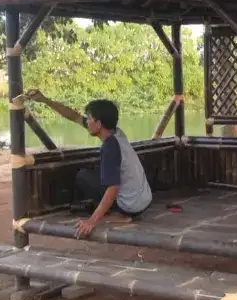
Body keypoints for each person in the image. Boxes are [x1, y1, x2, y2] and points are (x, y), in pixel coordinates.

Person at [25, 91, 152, 237]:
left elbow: (113, 187)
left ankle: (120, 215)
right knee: (98, 172)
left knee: (83, 177)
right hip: (144, 200)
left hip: (130, 206)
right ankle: (120, 212)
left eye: (90, 119)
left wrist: (91, 221)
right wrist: (45, 100)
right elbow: (74, 116)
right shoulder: (116, 132)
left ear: (98, 124)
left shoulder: (110, 147)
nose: (87, 121)